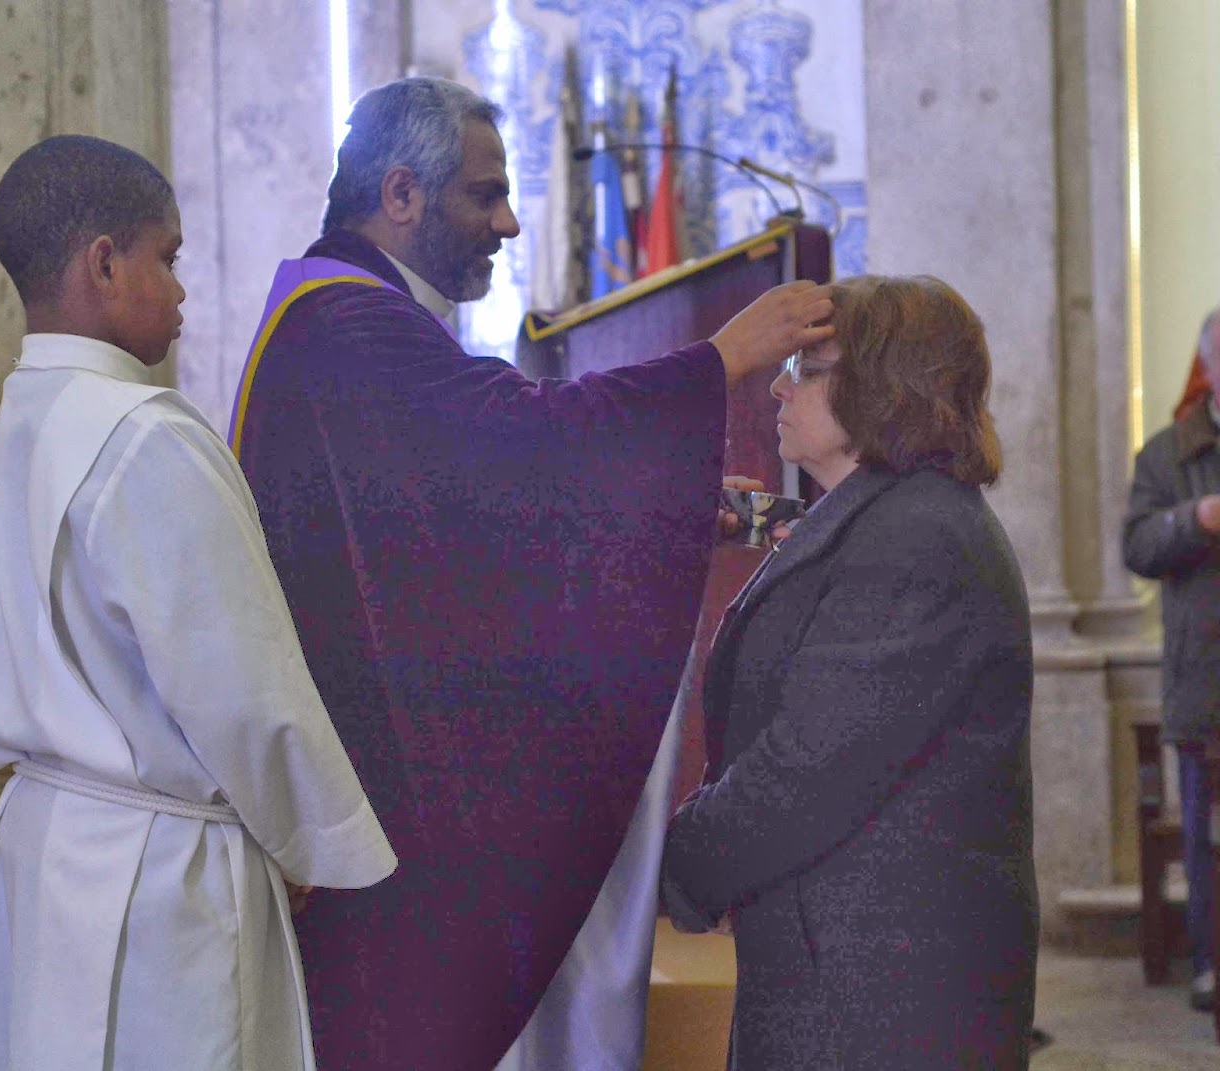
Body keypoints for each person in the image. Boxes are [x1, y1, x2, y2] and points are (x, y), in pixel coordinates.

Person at [229, 76, 834, 1071]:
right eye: (486, 195)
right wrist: (718, 360)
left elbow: (468, 523)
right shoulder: (343, 323)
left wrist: (670, 504)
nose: (508, 223)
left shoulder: (348, 318)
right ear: (401, 193)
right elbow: (521, 445)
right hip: (375, 793)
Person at [0, 134, 396, 1071]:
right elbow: (244, 690)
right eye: (169, 257)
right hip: (160, 873)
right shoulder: (147, 437)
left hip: (46, 841)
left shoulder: (22, 418)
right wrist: (303, 840)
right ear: (104, 264)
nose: (183, 290)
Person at [659, 274, 1039, 1068]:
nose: (778, 386)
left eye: (808, 367)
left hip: (882, 992)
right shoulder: (883, 518)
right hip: (846, 966)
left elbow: (805, 767)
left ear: (883, 385)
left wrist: (663, 872)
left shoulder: (916, 536)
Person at [1123, 306, 1220, 1014]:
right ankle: (1209, 962)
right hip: (1205, 678)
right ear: (1209, 366)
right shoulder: (1165, 455)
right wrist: (1197, 519)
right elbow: (1137, 547)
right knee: (1205, 835)